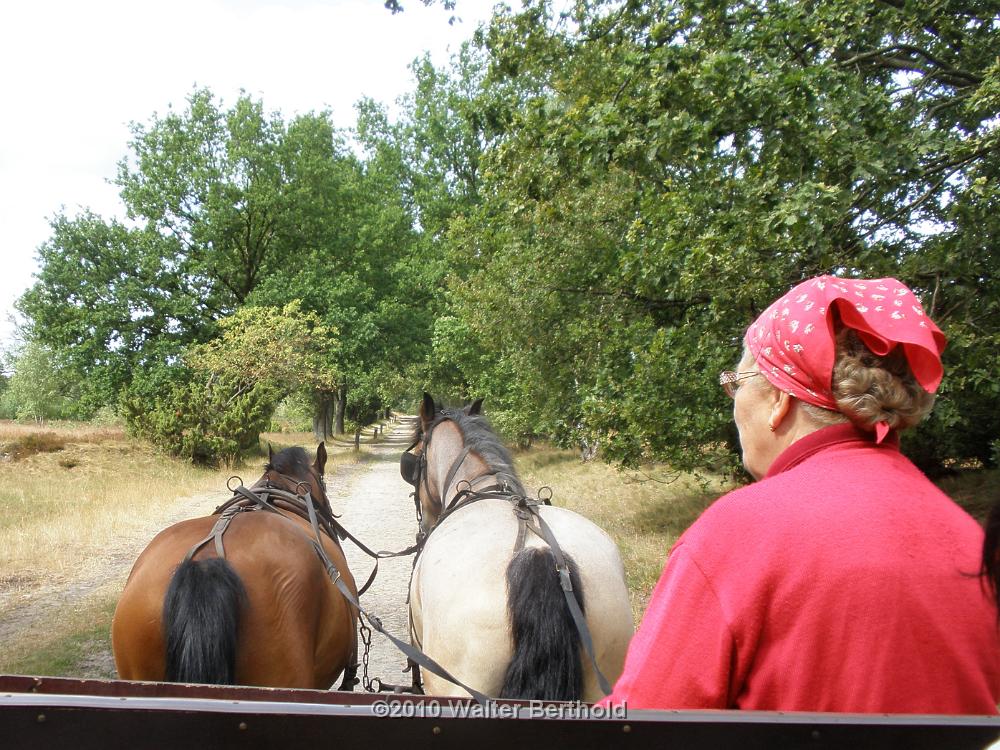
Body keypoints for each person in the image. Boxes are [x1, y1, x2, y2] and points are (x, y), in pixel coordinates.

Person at [603, 275, 1000, 713]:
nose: (734, 402)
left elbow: (640, 722)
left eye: (737, 384)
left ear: (778, 399)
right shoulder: (974, 541)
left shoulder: (737, 533)